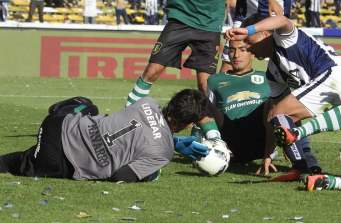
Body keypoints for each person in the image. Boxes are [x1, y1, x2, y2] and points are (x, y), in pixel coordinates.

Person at [225, 14, 341, 180]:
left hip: (333, 78)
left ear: (265, 34)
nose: (248, 48)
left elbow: (283, 20)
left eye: (249, 42)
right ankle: (308, 167)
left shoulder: (284, 38)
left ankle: (301, 167)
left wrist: (247, 29)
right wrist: (268, 154)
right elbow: (279, 119)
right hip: (337, 85)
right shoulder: (273, 72)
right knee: (280, 116)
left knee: (279, 114)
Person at [0, 90, 213, 183]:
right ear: (188, 124)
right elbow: (121, 176)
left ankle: (62, 109)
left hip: (59, 126)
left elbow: (142, 129)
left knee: (89, 107)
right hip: (58, 163)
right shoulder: (163, 153)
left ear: (172, 102)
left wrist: (172, 141)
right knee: (17, 162)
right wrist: (152, 173)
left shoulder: (146, 102)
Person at [204, 38, 320, 176]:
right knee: (198, 100)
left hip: (261, 140)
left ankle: (303, 159)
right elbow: (208, 115)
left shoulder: (268, 78)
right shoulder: (214, 80)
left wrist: (268, 154)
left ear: (252, 53)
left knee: (280, 102)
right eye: (232, 50)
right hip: (231, 140)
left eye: (242, 50)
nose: (236, 55)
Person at [125, 0, 226, 106]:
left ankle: (210, 120)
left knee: (205, 84)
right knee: (153, 70)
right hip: (179, 18)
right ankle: (129, 110)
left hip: (210, 23)